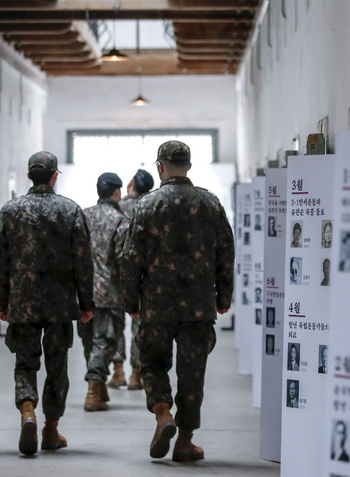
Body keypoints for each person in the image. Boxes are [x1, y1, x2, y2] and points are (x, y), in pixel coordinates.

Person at [121, 140, 234, 462]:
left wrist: (130, 300)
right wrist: (224, 297)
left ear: (160, 167)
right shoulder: (209, 204)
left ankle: (162, 413)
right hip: (199, 305)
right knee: (192, 372)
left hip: (156, 305)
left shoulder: (146, 205)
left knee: (153, 364)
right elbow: (226, 254)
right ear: (189, 166)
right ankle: (185, 441)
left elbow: (131, 257)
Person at [0, 151, 94, 455]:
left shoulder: (11, 211)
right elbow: (83, 262)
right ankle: (51, 429)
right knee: (57, 365)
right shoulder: (70, 210)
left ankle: (27, 411)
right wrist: (86, 303)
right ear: (54, 175)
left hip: (23, 302)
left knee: (25, 362)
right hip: (60, 304)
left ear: (28, 176)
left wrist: (3, 300)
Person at [78, 172, 129, 412]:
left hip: (83, 292)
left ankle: (99, 389)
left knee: (89, 341)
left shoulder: (82, 216)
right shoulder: (120, 221)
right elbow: (122, 261)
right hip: (110, 293)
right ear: (117, 192)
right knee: (105, 342)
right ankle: (93, 390)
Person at [110, 169, 154, 391]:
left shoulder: (117, 208)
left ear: (130, 184)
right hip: (144, 276)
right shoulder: (151, 208)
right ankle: (137, 374)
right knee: (139, 323)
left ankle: (118, 371)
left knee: (117, 323)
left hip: (116, 276)